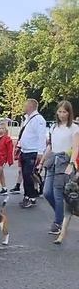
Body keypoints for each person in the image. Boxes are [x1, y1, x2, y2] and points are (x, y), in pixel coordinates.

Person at [42, 100, 79, 235]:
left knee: (58, 193)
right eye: (59, 111)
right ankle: (62, 214)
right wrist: (42, 161)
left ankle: (57, 222)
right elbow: (50, 146)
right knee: (47, 192)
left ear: (69, 113)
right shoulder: (53, 127)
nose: (61, 114)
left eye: (64, 112)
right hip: (53, 160)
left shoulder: (74, 128)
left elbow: (75, 148)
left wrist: (71, 163)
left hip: (64, 161)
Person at [17, 99, 47, 209]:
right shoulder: (28, 119)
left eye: (25, 105)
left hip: (32, 151)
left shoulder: (38, 119)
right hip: (26, 151)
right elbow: (26, 134)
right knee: (26, 175)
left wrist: (40, 152)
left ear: (31, 106)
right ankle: (28, 195)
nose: (24, 107)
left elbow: (41, 136)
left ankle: (31, 196)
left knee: (28, 174)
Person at [0, 120, 14, 196]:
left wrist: (10, 160)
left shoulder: (7, 139)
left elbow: (10, 151)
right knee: (1, 174)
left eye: (2, 128)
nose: (0, 130)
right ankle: (4, 188)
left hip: (2, 159)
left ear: (5, 130)